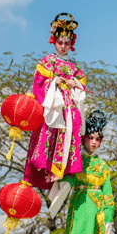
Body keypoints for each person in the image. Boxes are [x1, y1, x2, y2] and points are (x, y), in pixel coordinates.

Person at [48, 110, 114, 234]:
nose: (93, 142)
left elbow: (108, 195)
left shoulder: (102, 165)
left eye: (97, 139)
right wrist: (58, 176)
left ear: (101, 141)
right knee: (81, 228)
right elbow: (69, 179)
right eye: (90, 138)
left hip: (98, 205)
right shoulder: (75, 159)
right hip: (81, 202)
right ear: (83, 138)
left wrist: (109, 216)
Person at [23, 12, 87, 190]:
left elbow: (81, 87)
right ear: (54, 41)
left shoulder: (75, 67)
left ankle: (65, 171)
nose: (63, 46)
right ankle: (46, 168)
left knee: (69, 135)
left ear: (71, 44)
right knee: (49, 132)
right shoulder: (47, 62)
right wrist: (53, 82)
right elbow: (38, 85)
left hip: (70, 107)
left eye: (67, 43)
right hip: (54, 105)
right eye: (60, 42)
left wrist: (75, 84)